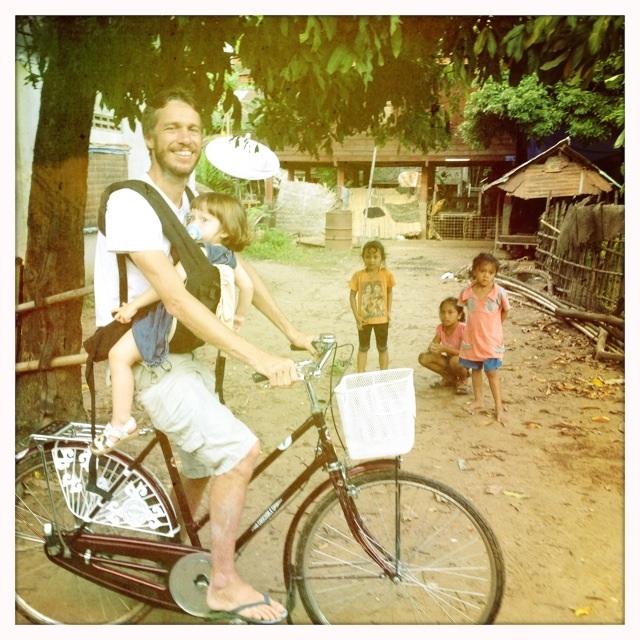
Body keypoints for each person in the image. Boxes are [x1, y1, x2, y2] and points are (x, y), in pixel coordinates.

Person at [92, 87, 317, 624]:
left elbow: (238, 268)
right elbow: (173, 297)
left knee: (198, 464)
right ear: (150, 138)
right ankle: (221, 583)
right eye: (172, 128)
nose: (184, 138)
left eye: (193, 129)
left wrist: (289, 331)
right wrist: (257, 357)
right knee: (239, 452)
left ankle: (172, 547)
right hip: (149, 359)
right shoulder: (131, 200)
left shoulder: (193, 201)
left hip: (184, 361)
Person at [92, 192, 254, 456]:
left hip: (165, 321)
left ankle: (121, 421)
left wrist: (133, 306)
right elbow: (247, 287)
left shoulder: (199, 252)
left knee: (118, 356)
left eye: (205, 220)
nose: (194, 223)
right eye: (192, 216)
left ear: (225, 231)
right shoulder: (227, 256)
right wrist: (238, 318)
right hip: (186, 329)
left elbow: (169, 285)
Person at [457, 252, 510, 424]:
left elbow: (505, 311)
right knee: (476, 370)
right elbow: (461, 310)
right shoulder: (467, 292)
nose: (486, 275)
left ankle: (499, 407)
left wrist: (495, 327)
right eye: (482, 271)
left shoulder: (499, 293)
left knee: (492, 372)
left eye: (490, 272)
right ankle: (479, 400)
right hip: (473, 338)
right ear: (474, 271)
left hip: (490, 340)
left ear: (495, 274)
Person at [349, 240, 396, 373]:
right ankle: (361, 374)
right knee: (363, 348)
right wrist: (356, 316)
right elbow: (352, 296)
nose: (371, 260)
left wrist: (389, 312)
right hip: (364, 320)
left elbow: (389, 291)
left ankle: (384, 374)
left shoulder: (387, 274)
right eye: (368, 257)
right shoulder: (358, 276)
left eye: (375, 257)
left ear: (382, 258)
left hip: (382, 320)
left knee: (382, 348)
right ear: (363, 257)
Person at [418, 296, 469, 394]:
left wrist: (445, 348)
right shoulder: (441, 328)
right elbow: (433, 346)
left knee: (455, 360)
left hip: (463, 361)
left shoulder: (463, 329)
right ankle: (449, 377)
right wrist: (433, 348)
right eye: (442, 312)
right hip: (450, 361)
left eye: (450, 312)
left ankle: (463, 380)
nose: (446, 316)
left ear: (459, 315)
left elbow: (466, 353)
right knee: (423, 358)